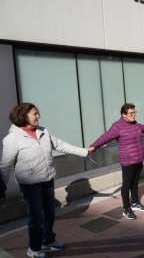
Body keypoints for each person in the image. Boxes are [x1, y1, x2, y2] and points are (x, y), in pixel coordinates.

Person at [0, 103, 89, 258]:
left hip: (47, 179)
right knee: (36, 217)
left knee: (49, 213)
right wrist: (1, 191)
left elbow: (61, 145)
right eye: (35, 114)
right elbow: (5, 166)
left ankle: (48, 240)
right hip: (29, 185)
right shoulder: (12, 139)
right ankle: (33, 249)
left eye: (37, 113)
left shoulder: (43, 131)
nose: (38, 116)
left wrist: (84, 152)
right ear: (23, 115)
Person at [89, 103, 144, 220]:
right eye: (131, 113)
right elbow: (105, 137)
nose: (134, 115)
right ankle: (126, 208)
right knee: (126, 185)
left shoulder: (135, 124)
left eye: (134, 112)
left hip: (138, 158)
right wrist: (93, 146)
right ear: (124, 115)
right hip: (128, 161)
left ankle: (135, 203)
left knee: (135, 183)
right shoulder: (117, 127)